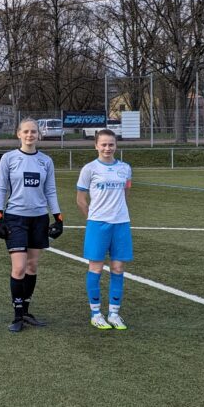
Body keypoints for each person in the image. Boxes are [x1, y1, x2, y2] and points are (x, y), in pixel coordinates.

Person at [0, 117, 62, 333]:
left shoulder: (46, 161)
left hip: (39, 218)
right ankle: (17, 316)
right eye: (26, 131)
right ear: (18, 134)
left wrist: (58, 217)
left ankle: (26, 311)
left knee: (32, 266)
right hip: (15, 218)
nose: (30, 135)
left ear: (39, 135)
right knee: (19, 267)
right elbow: (1, 189)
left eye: (33, 132)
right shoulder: (9, 158)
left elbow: (50, 191)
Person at [76, 129, 133, 331]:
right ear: (96, 146)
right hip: (98, 225)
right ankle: (96, 313)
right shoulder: (89, 169)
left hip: (121, 224)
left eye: (111, 144)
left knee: (118, 268)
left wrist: (119, 213)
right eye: (104, 144)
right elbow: (81, 200)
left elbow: (126, 192)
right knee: (96, 268)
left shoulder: (125, 168)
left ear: (116, 146)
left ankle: (115, 314)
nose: (107, 148)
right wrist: (93, 218)